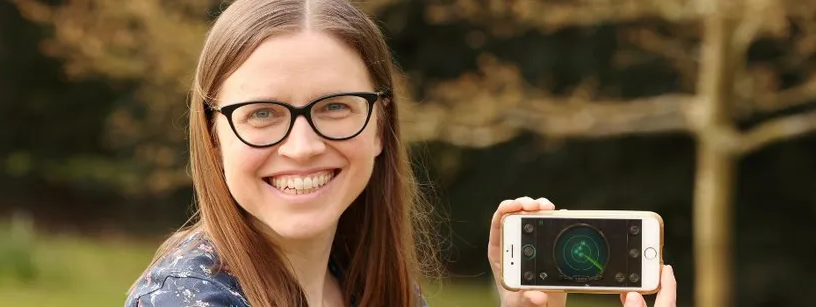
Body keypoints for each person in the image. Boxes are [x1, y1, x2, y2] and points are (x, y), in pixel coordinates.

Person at [123, 0, 678, 306]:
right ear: (213, 135)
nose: (302, 146)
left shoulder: (371, 284)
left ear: (381, 126)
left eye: (336, 107)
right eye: (262, 113)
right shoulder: (188, 301)